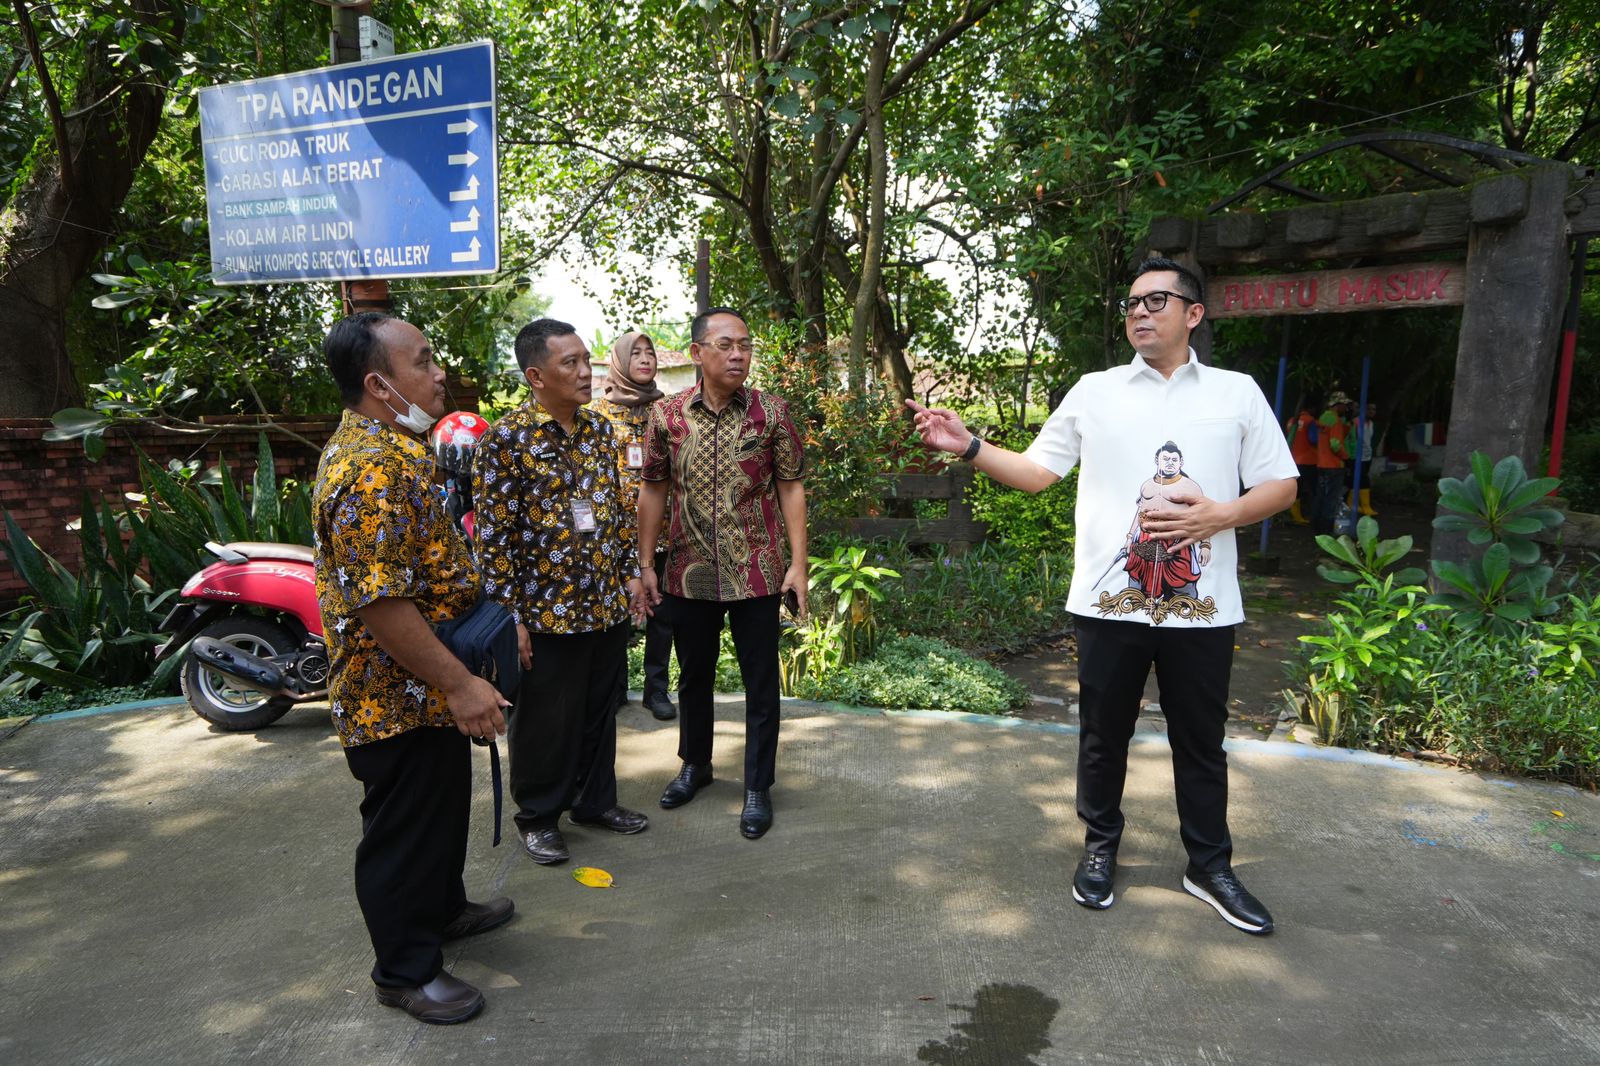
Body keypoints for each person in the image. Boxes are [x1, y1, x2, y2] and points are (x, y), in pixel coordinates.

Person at [908, 258, 1297, 935]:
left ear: (1193, 314)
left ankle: (1209, 865)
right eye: (1132, 303)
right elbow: (1035, 473)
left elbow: (1280, 485)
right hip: (1108, 605)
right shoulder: (1095, 390)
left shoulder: (1237, 392)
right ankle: (1100, 845)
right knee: (1102, 737)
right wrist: (967, 444)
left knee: (1201, 743)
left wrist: (1216, 516)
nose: (1140, 312)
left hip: (1201, 609)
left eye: (1156, 300)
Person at [312, 312, 521, 1024]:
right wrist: (460, 683)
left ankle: (443, 910)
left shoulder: (397, 449)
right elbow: (382, 604)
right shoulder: (369, 469)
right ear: (378, 383)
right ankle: (403, 971)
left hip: (421, 688)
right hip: (391, 696)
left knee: (437, 812)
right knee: (402, 830)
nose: (440, 375)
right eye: (425, 362)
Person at [472, 319, 651, 867]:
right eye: (569, 363)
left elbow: (616, 516)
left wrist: (630, 574)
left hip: (602, 602)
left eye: (586, 360)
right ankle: (540, 816)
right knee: (547, 720)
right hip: (544, 612)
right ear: (536, 375)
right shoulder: (506, 441)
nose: (585, 372)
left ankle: (595, 803)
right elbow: (494, 540)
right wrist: (511, 619)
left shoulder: (599, 433)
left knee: (600, 710)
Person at [637, 307, 808, 840]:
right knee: (694, 677)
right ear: (698, 353)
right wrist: (645, 564)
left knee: (760, 683)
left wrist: (798, 565)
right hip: (687, 571)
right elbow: (654, 488)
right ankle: (696, 764)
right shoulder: (666, 417)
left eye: (746, 346)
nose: (739, 355)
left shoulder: (772, 413)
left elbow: (791, 486)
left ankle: (757, 785)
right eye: (727, 345)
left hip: (757, 572)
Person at [595, 330, 679, 721]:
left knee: (662, 613)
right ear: (620, 361)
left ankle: (655, 689)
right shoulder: (597, 413)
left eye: (650, 353)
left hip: (660, 533)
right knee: (615, 616)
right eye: (636, 354)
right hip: (612, 535)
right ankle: (613, 689)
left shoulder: (668, 412)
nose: (645, 359)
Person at [1312, 391, 1352, 534]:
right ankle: (1326, 530)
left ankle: (1316, 526)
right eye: (1344, 405)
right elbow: (1335, 444)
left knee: (1321, 496)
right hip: (1334, 465)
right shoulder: (1335, 420)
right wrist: (1346, 457)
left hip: (1321, 463)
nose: (1346, 408)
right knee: (1331, 498)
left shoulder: (1323, 418)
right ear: (1337, 405)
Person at [1285, 396, 1319, 525]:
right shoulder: (1310, 421)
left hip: (1294, 459)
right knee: (1313, 489)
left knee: (1296, 489)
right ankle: (1311, 515)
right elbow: (1313, 439)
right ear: (1310, 408)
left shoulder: (1291, 421)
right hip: (1308, 460)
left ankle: (1295, 515)